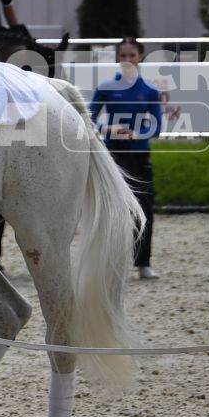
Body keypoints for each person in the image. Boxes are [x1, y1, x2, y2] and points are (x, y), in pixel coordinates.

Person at [90, 38, 164, 281]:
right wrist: (110, 129)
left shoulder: (150, 91)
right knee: (113, 211)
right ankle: (112, 263)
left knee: (145, 209)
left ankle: (143, 262)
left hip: (139, 155)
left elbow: (156, 127)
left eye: (131, 55)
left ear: (140, 57)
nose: (127, 60)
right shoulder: (106, 88)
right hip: (113, 157)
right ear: (116, 58)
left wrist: (136, 133)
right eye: (123, 55)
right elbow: (88, 118)